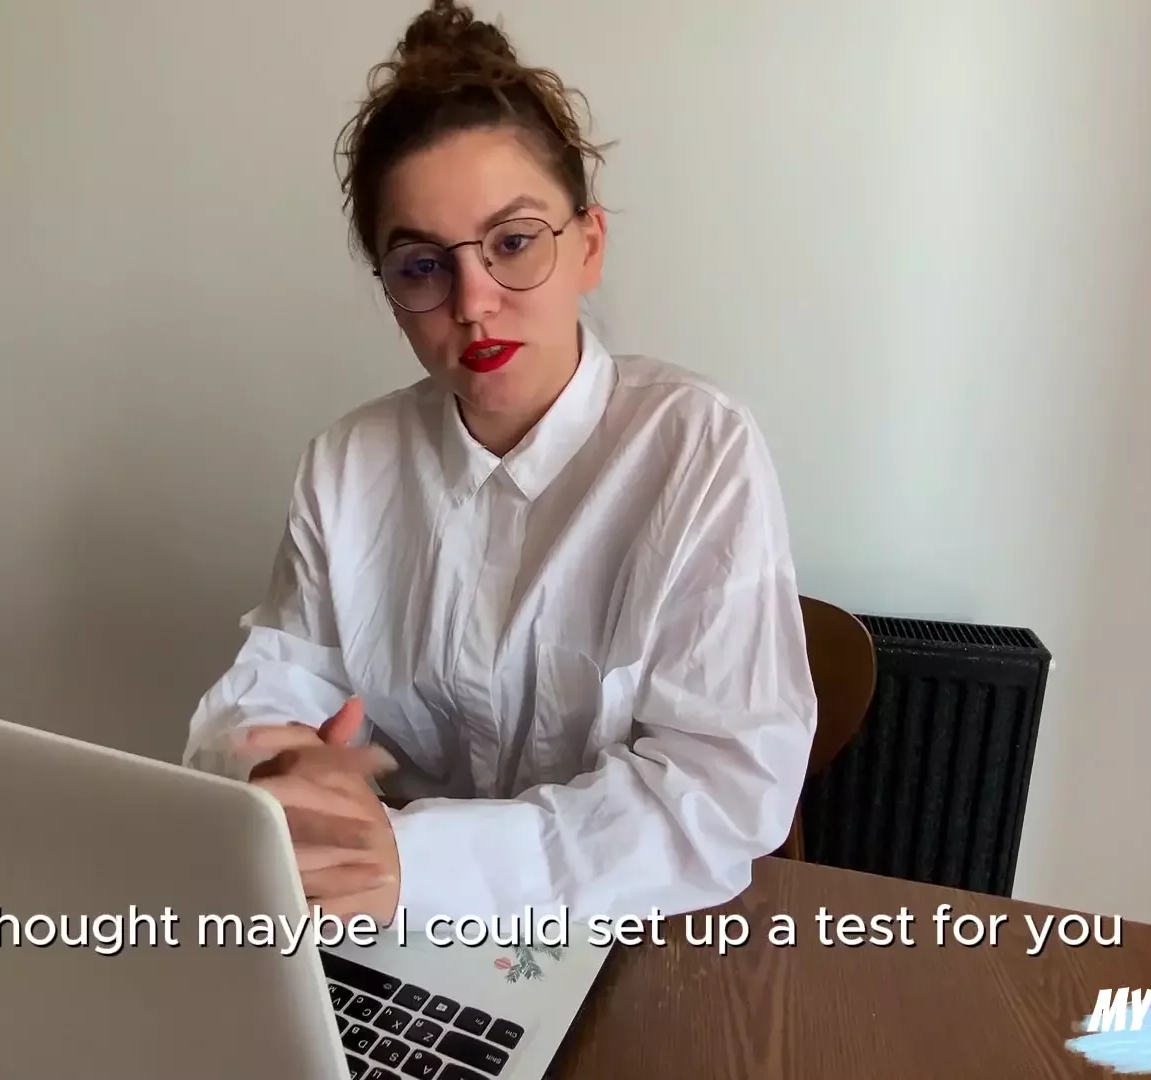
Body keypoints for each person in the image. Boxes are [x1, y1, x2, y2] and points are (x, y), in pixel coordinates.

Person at [182, 0, 817, 928]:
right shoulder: (347, 465)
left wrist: (417, 863)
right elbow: (270, 685)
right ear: (390, 290)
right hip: (381, 924)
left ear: (587, 245)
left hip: (623, 935)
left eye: (513, 242)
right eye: (421, 265)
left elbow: (717, 798)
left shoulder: (696, 448)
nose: (473, 301)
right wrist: (278, 764)